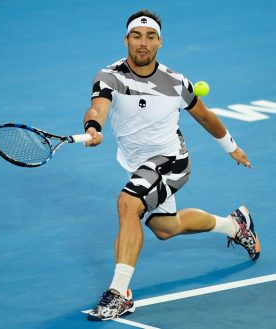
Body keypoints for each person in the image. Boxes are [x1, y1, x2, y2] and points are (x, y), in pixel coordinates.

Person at [82, 10, 260, 321]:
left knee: (128, 204)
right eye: (137, 36)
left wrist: (232, 148)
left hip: (172, 160)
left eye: (150, 37)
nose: (143, 43)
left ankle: (120, 293)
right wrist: (93, 126)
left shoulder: (176, 82)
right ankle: (235, 225)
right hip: (139, 166)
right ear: (126, 40)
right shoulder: (108, 76)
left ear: (159, 42)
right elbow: (98, 107)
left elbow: (204, 116)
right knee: (165, 227)